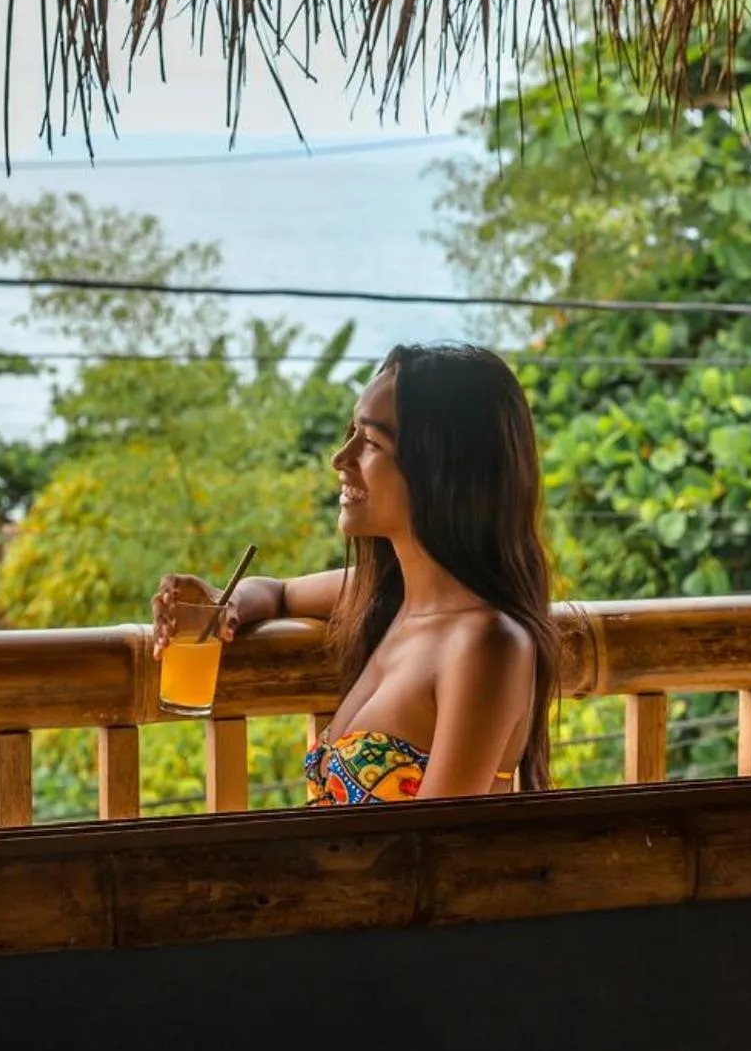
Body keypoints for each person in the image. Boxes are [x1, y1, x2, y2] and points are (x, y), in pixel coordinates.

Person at [151, 344, 560, 804]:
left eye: (371, 442)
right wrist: (223, 607)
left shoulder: (486, 644)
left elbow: (436, 850)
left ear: (444, 471)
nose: (340, 459)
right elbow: (279, 593)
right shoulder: (392, 598)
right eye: (352, 434)